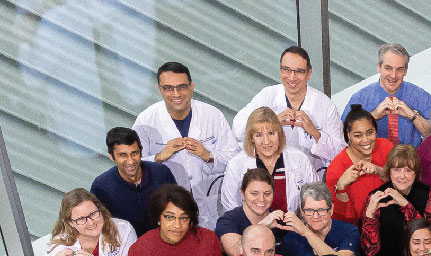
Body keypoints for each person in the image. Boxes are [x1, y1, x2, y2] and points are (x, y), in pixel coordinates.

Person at [133, 62, 240, 230]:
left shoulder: (212, 115)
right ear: (159, 89)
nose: (176, 94)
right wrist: (159, 157)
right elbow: (132, 167)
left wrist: (209, 155)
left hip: (209, 207)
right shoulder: (146, 120)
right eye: (168, 88)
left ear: (192, 87)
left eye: (181, 87)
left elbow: (236, 158)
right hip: (168, 210)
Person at [232, 46, 344, 174]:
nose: (292, 77)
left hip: (309, 179)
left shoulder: (324, 105)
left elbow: (341, 152)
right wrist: (271, 124)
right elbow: (238, 130)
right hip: (268, 176)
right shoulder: (267, 95)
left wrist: (316, 134)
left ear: (309, 73)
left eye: (299, 71)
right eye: (286, 70)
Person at [223, 106, 317, 215]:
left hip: (292, 227)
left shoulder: (299, 158)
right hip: (252, 228)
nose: (266, 141)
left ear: (279, 134)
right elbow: (230, 206)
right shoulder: (236, 164)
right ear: (251, 137)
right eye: (259, 135)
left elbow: (316, 197)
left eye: (271, 133)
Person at [342, 43, 431, 148]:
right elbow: (344, 136)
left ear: (405, 71)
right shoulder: (360, 99)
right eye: (388, 68)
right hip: (371, 160)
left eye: (399, 69)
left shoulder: (421, 96)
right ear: (378, 67)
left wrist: (413, 116)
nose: (393, 75)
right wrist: (372, 117)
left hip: (413, 161)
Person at [91, 127, 177, 237]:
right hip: (127, 248)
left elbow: (179, 209)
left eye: (134, 153)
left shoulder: (161, 173)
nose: (131, 161)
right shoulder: (101, 186)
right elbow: (101, 229)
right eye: (123, 155)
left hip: (166, 242)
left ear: (141, 152)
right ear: (112, 157)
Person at [325, 105, 393, 226]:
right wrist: (340, 187)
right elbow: (340, 222)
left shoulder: (386, 147)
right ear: (348, 135)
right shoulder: (335, 169)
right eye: (358, 135)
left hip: (393, 216)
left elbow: (403, 185)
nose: (366, 140)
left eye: (369, 132)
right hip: (360, 229)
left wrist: (380, 171)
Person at [275, 182, 360, 256]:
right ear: (302, 211)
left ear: (331, 209)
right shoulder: (292, 236)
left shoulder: (349, 231)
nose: (315, 216)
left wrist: (306, 233)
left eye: (321, 210)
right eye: (309, 210)